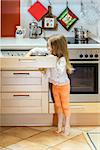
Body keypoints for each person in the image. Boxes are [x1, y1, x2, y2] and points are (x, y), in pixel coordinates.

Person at [47, 35, 74, 136]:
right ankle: (59, 125)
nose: (48, 48)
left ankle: (67, 125)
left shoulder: (61, 60)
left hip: (64, 86)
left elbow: (59, 71)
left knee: (65, 106)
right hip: (55, 86)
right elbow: (49, 73)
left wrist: (51, 59)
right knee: (58, 106)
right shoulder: (52, 58)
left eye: (50, 46)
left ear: (56, 48)